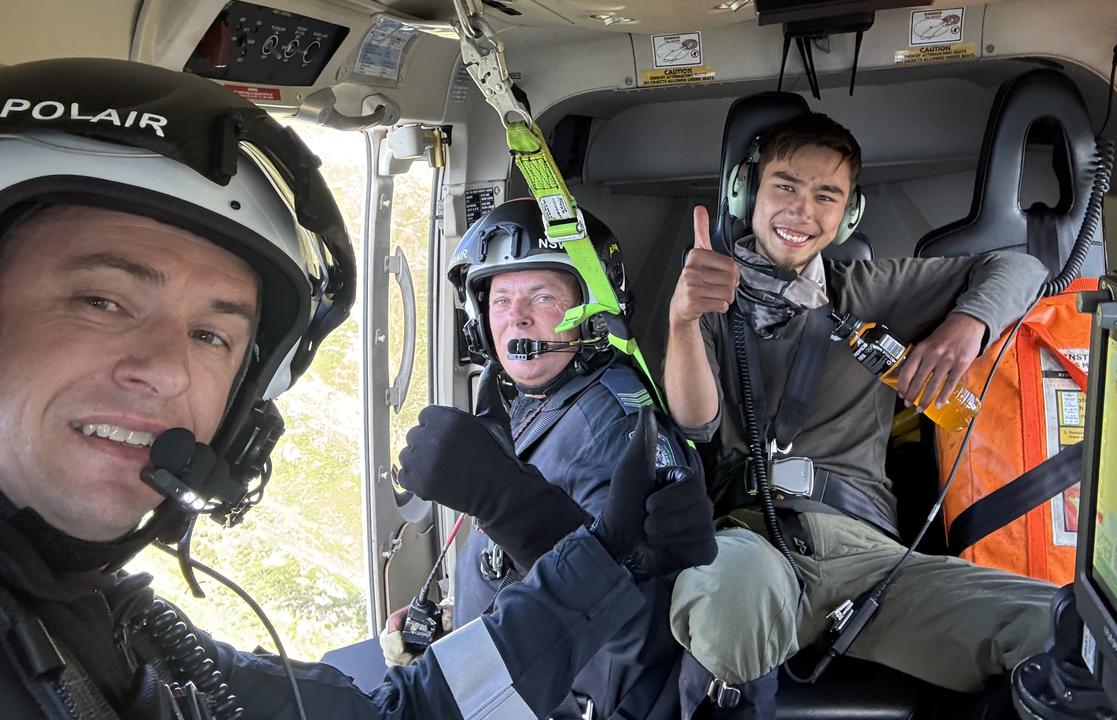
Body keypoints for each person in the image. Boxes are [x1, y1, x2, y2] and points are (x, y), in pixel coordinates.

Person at [0, 57, 715, 719]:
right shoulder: (521, 409)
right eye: (100, 302)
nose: (164, 370)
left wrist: (549, 532)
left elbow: (626, 651)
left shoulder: (608, 422)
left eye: (212, 335)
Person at [662, 111, 1058, 717]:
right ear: (747, 193)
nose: (802, 211)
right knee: (727, 594)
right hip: (756, 543)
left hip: (873, 562)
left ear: (848, 215)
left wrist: (965, 325)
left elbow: (1023, 267)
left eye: (826, 195)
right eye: (786, 187)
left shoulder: (870, 290)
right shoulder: (711, 293)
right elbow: (696, 425)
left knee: (1061, 626)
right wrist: (684, 320)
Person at [385, 199, 703, 719]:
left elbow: (639, 628)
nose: (518, 317)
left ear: (593, 310)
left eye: (542, 296)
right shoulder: (536, 403)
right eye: (501, 298)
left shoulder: (614, 425)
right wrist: (454, 618)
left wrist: (505, 502)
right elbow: (537, 562)